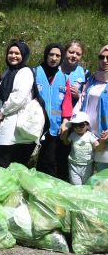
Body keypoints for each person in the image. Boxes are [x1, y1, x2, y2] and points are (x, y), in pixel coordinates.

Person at [0, 41, 38, 168]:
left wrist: (2, 113)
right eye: (10, 53)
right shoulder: (8, 72)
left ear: (24, 55)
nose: (13, 56)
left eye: (17, 53)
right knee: (1, 160)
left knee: (8, 161)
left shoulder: (25, 72)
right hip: (4, 121)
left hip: (15, 124)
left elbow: (18, 98)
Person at [34, 43, 74, 180]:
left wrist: (65, 121)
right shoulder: (35, 73)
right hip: (35, 125)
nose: (54, 58)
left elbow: (67, 102)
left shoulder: (63, 77)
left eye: (58, 55)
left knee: (49, 162)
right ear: (46, 55)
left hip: (54, 128)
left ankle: (46, 192)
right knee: (31, 159)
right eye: (51, 54)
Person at [74, 44, 108, 174]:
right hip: (87, 135)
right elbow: (82, 101)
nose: (105, 61)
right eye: (101, 57)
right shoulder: (92, 79)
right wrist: (73, 120)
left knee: (103, 179)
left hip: (104, 138)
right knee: (85, 179)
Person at [60, 111, 105, 185]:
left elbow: (98, 148)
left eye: (81, 125)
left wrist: (103, 141)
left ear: (87, 125)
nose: (77, 128)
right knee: (76, 185)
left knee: (86, 184)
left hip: (87, 165)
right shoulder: (73, 135)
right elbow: (66, 143)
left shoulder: (90, 136)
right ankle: (76, 196)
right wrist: (64, 136)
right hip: (73, 164)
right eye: (75, 125)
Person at [60, 40, 88, 107]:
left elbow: (88, 99)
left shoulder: (85, 74)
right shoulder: (54, 70)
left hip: (73, 114)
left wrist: (78, 95)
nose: (74, 56)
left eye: (78, 54)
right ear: (64, 52)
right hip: (53, 113)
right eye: (71, 52)